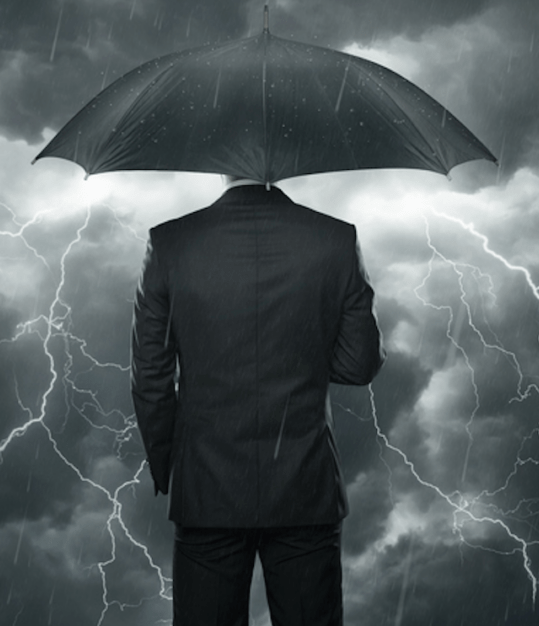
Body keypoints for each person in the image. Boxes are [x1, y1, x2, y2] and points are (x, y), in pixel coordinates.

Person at [131, 175, 386, 626]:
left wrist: (169, 464)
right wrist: (300, 359)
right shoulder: (335, 239)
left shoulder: (170, 243)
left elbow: (151, 377)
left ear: (219, 164)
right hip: (303, 486)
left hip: (207, 487)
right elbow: (360, 364)